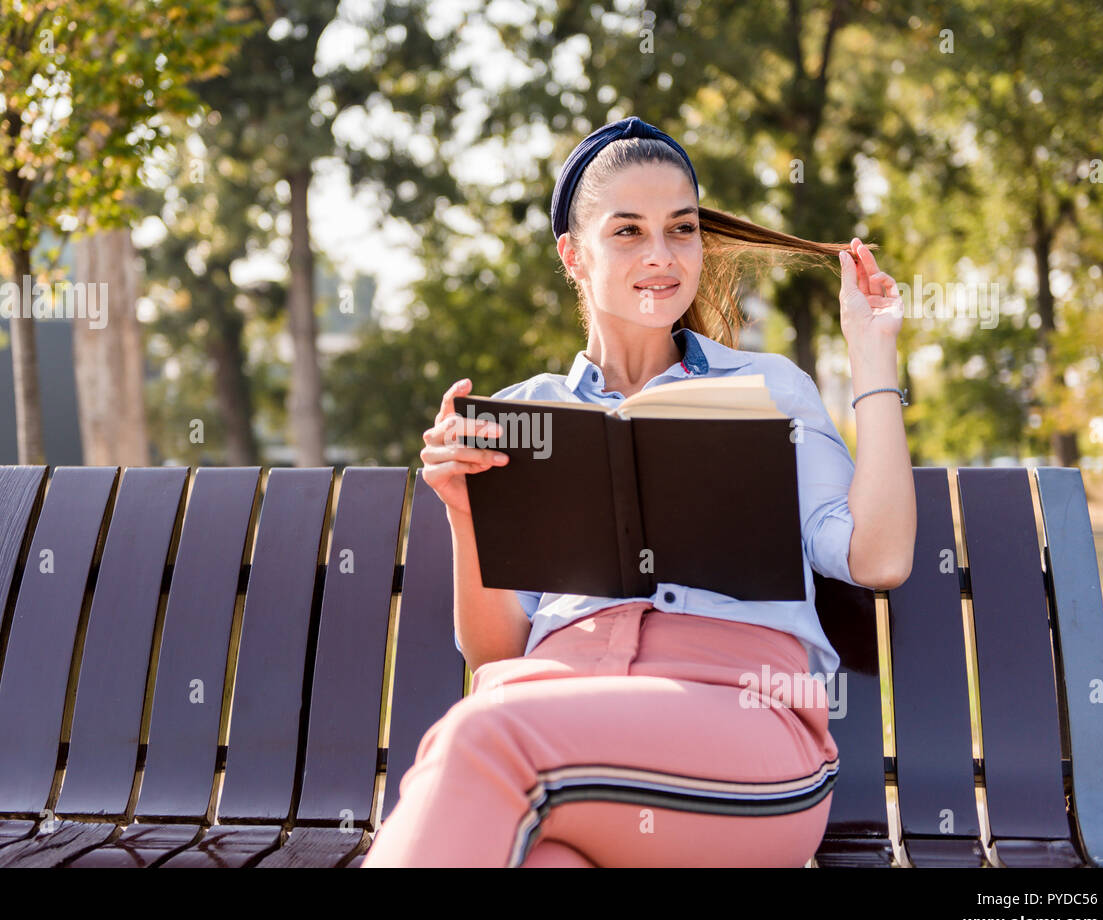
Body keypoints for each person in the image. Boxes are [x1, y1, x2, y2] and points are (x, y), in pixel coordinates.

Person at [361, 116, 916, 868]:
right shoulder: (525, 410)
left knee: (479, 735)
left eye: (681, 230)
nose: (662, 256)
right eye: (628, 232)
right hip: (561, 718)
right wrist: (464, 512)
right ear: (573, 255)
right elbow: (496, 648)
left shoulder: (768, 386)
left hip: (741, 731)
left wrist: (871, 347)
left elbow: (875, 555)